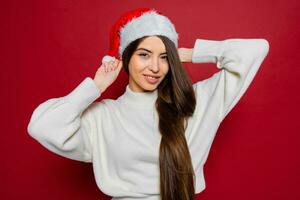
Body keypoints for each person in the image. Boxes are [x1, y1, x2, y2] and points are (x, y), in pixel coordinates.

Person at [27, 7, 269, 200]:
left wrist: (186, 54)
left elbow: (256, 49)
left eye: (164, 57)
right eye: (144, 54)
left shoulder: (194, 103)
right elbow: (42, 126)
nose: (155, 67)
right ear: (126, 57)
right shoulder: (104, 117)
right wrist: (95, 87)